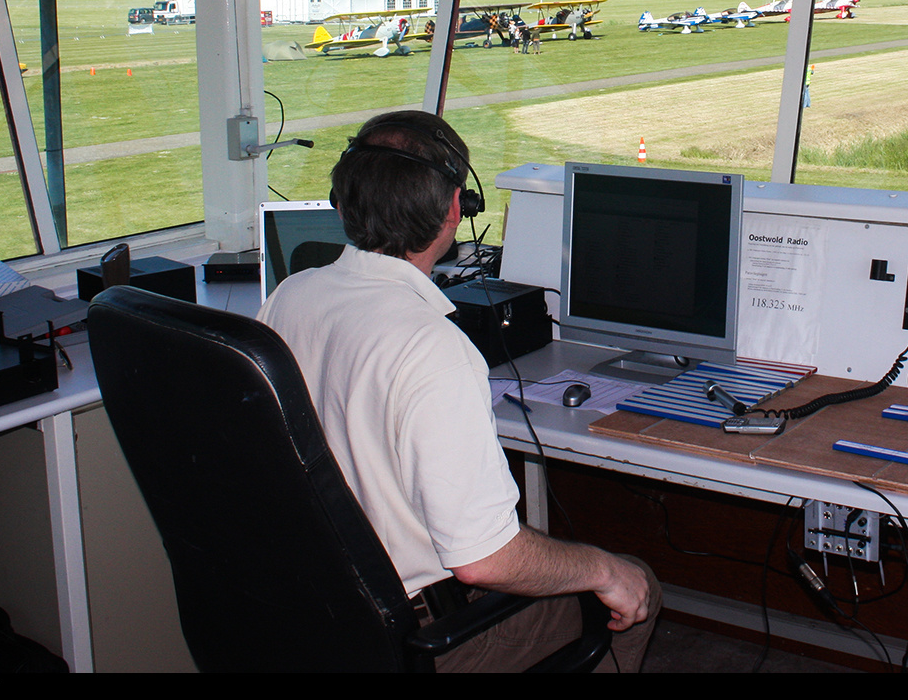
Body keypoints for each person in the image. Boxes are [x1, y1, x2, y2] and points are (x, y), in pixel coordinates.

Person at [257, 110, 659, 671]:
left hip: (315, 612)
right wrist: (605, 570)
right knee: (634, 579)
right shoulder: (432, 347)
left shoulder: (287, 298)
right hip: (418, 633)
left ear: (340, 203)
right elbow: (483, 560)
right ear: (454, 210)